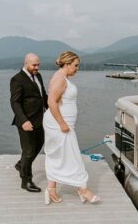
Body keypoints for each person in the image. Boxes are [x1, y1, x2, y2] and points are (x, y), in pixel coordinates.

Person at [43, 51, 100, 204]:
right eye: (75, 65)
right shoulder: (60, 79)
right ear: (67, 64)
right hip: (58, 124)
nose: (77, 68)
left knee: (58, 155)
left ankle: (51, 189)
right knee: (73, 155)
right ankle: (83, 189)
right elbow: (51, 102)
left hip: (63, 123)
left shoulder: (63, 77)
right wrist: (62, 123)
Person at [10, 53, 48, 192]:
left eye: (38, 64)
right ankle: (26, 181)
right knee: (28, 151)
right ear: (26, 63)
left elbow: (43, 96)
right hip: (25, 122)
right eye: (34, 65)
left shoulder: (38, 76)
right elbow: (15, 102)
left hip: (40, 120)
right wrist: (24, 120)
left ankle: (21, 165)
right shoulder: (17, 79)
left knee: (39, 145)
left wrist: (53, 110)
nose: (37, 67)